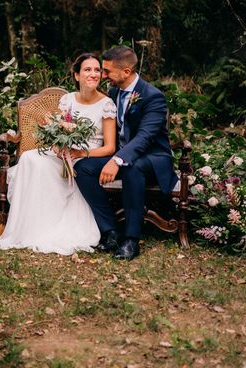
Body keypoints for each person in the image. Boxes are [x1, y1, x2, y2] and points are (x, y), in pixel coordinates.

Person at [0, 53, 117, 255]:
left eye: (97, 70)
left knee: (56, 166)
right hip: (63, 153)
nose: (94, 74)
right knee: (29, 158)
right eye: (88, 69)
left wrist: (79, 152)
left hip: (87, 155)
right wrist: (59, 145)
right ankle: (33, 224)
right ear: (76, 76)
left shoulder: (106, 104)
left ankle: (59, 223)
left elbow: (109, 147)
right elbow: (59, 131)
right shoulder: (67, 100)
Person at [75, 45, 178, 261]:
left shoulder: (153, 97)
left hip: (151, 159)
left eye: (107, 72)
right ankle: (111, 231)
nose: (102, 76)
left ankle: (131, 240)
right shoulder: (114, 92)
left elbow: (144, 138)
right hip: (122, 156)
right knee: (83, 168)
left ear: (126, 72)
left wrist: (117, 160)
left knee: (132, 167)